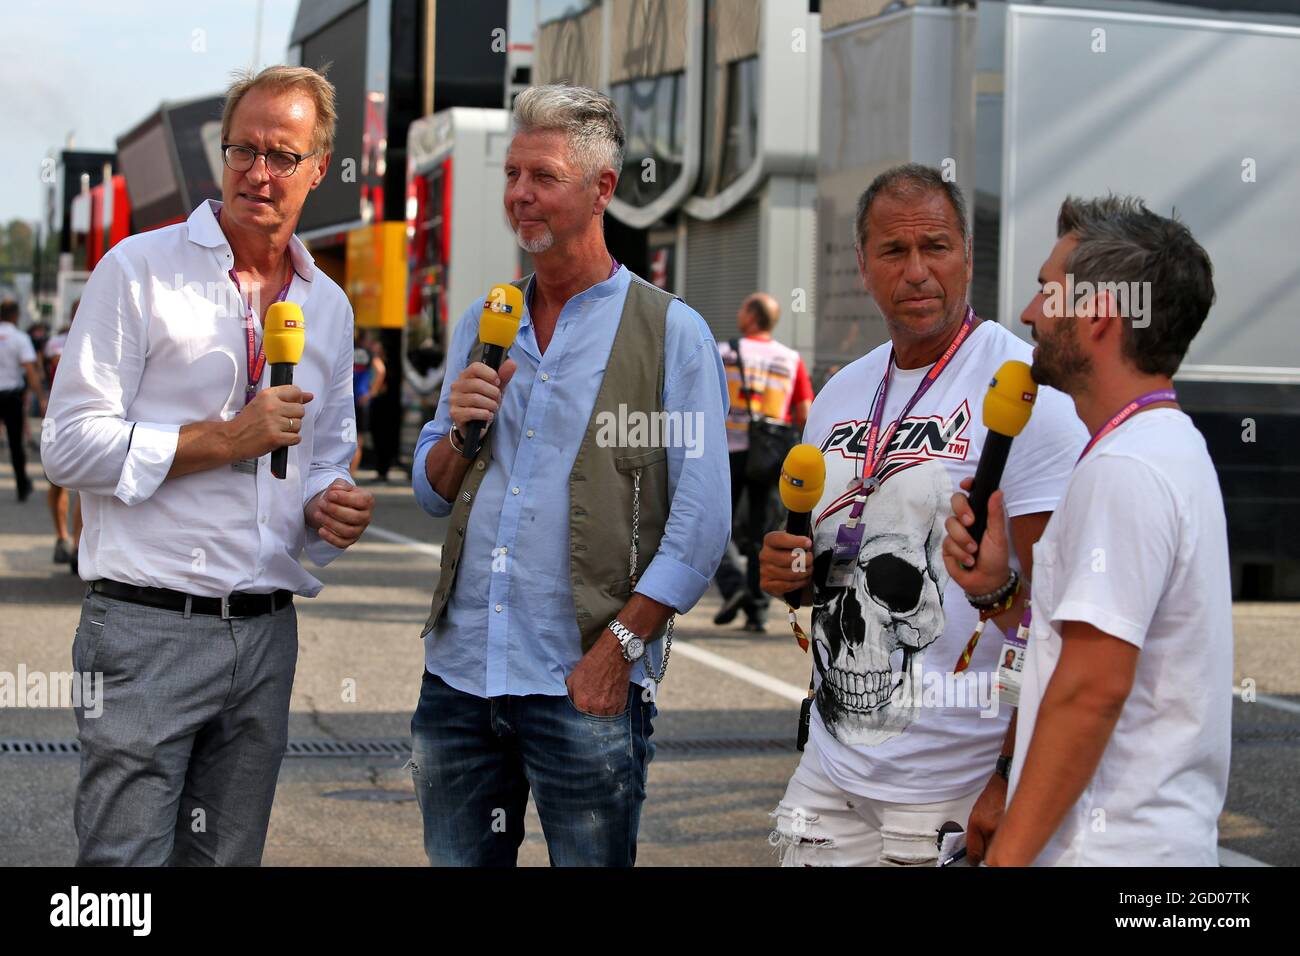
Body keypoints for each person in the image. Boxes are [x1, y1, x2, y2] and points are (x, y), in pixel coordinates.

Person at [43, 64, 375, 866]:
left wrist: (333, 504)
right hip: (145, 629)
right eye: (243, 150)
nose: (258, 172)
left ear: (318, 168)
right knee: (121, 877)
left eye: (282, 155)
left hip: (264, 636)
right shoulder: (137, 269)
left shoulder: (328, 305)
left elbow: (323, 455)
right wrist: (225, 439)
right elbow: (68, 444)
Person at [410, 84, 730, 867]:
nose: (520, 194)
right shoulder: (486, 319)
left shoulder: (670, 332)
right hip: (460, 681)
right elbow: (429, 489)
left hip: (581, 682)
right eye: (513, 174)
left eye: (543, 176)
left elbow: (702, 517)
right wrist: (459, 429)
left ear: (601, 190)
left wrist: (618, 649)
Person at [758, 163, 1087, 866]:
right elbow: (836, 568)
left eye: (935, 247)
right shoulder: (842, 392)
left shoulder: (1027, 395)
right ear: (863, 265)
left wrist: (1009, 778)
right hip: (833, 764)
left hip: (952, 782)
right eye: (893, 251)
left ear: (968, 256)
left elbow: (1062, 617)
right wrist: (794, 575)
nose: (916, 271)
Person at [943, 196, 1230, 866]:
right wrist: (998, 592)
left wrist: (1008, 858)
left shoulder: (1125, 467)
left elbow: (1092, 689)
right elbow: (1091, 649)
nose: (1029, 314)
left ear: (1101, 313)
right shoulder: (1161, 446)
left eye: (1049, 291)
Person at [714, 293, 813, 632]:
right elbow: (804, 412)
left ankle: (732, 584)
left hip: (728, 450)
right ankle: (757, 613)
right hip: (771, 455)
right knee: (762, 531)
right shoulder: (791, 359)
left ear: (750, 316)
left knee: (712, 522)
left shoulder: (723, 351)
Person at [44, 303, 81, 568]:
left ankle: (78, 544)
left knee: (85, 489)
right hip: (55, 417)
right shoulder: (57, 342)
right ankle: (61, 537)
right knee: (57, 482)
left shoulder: (107, 336)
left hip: (85, 419)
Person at [0, 299, 46, 501]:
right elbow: (30, 370)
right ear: (16, 316)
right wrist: (41, 396)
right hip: (11, 397)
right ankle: (21, 485)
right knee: (16, 443)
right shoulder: (19, 338)